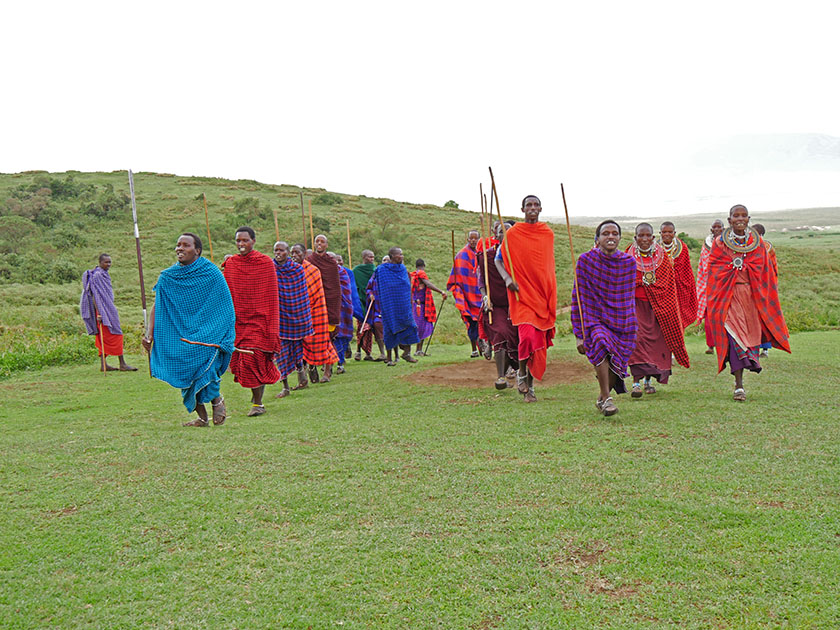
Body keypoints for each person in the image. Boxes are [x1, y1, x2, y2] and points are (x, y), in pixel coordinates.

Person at [142, 233, 234, 427]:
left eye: (185, 245)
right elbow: (158, 306)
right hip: (180, 335)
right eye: (178, 245)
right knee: (186, 373)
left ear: (197, 251)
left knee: (206, 368)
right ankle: (202, 418)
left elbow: (224, 306)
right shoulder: (168, 277)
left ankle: (217, 400)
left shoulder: (211, 273)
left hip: (208, 333)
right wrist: (149, 333)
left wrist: (217, 332)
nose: (180, 249)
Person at [706, 205, 790, 401]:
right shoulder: (720, 243)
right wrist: (732, 268)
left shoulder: (757, 243)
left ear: (749, 218)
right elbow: (715, 268)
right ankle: (739, 385)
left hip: (751, 296)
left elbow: (764, 269)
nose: (740, 219)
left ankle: (745, 374)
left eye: (744, 216)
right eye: (736, 216)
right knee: (735, 336)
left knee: (749, 335)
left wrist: (748, 269)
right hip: (729, 295)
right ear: (729, 220)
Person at [571, 220, 637, 416]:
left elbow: (627, 297)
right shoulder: (585, 261)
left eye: (615, 233)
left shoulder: (628, 263)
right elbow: (578, 298)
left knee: (617, 359)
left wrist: (631, 323)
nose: (610, 237)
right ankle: (607, 398)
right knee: (600, 343)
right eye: (605, 233)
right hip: (594, 318)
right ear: (597, 239)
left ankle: (602, 396)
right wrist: (579, 334)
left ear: (619, 237)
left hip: (622, 319)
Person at [494, 196, 556, 403]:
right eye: (528, 205)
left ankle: (530, 387)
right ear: (522, 209)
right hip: (521, 295)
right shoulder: (513, 233)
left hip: (542, 295)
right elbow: (498, 260)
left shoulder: (547, 233)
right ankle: (521, 373)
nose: (532, 208)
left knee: (537, 344)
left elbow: (546, 266)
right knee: (527, 338)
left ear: (540, 208)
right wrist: (507, 279)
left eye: (535, 204)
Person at [223, 226, 283, 417]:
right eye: (238, 241)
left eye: (245, 240)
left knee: (254, 356)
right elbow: (226, 290)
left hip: (262, 320)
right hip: (239, 321)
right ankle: (257, 399)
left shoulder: (265, 263)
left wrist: (271, 323)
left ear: (253, 241)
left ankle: (257, 403)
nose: (241, 244)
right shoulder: (232, 264)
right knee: (245, 361)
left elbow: (271, 295)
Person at [626, 223, 690, 397]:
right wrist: (639, 284)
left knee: (656, 344)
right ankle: (635, 383)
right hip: (635, 306)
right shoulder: (628, 255)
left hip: (659, 307)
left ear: (654, 238)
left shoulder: (663, 257)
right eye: (641, 236)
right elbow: (622, 281)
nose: (645, 239)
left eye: (648, 236)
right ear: (635, 237)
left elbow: (668, 285)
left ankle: (648, 381)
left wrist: (654, 289)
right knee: (637, 341)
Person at [477, 221, 519, 390]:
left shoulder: (520, 255)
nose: (506, 235)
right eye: (502, 232)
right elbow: (481, 281)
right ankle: (501, 376)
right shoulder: (486, 257)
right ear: (496, 235)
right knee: (501, 333)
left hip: (517, 304)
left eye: (510, 231)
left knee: (518, 336)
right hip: (496, 305)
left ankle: (519, 373)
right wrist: (485, 297)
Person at [80, 254, 136, 372]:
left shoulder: (103, 274)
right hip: (102, 311)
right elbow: (95, 296)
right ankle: (122, 364)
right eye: (106, 262)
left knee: (107, 336)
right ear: (100, 262)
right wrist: (99, 314)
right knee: (114, 334)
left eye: (110, 262)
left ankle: (104, 365)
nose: (108, 265)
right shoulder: (98, 276)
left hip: (107, 308)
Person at [291, 243, 339, 384]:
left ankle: (327, 371)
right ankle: (307, 371)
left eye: (297, 253)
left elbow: (313, 292)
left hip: (316, 311)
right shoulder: (290, 271)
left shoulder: (313, 271)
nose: (294, 256)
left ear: (305, 254)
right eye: (292, 253)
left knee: (323, 343)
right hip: (297, 314)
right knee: (301, 345)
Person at [272, 241, 313, 398]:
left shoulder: (297, 270)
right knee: (281, 353)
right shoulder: (270, 268)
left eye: (281, 250)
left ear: (288, 252)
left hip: (296, 317)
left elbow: (301, 295)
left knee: (297, 350)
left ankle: (301, 372)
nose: (278, 253)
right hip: (279, 318)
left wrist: (302, 316)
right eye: (276, 250)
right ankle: (285, 386)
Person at [370, 247, 420, 366]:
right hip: (389, 304)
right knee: (389, 329)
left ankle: (406, 353)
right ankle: (389, 358)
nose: (402, 257)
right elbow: (380, 286)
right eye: (399, 255)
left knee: (410, 325)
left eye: (402, 254)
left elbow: (406, 285)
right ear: (392, 256)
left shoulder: (402, 269)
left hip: (403, 304)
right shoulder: (382, 270)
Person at [447, 230, 483, 357]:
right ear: (467, 239)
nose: (473, 240)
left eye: (476, 238)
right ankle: (474, 349)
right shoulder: (461, 255)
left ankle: (484, 348)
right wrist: (458, 290)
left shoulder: (483, 253)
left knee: (484, 322)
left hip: (481, 293)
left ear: (479, 239)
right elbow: (457, 276)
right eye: (471, 238)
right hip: (467, 295)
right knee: (471, 323)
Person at [658, 221, 697, 329]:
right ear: (660, 233)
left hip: (678, 291)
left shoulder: (682, 248)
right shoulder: (655, 248)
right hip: (660, 291)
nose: (667, 234)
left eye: (670, 232)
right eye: (664, 232)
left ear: (674, 233)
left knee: (677, 322)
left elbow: (686, 271)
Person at [697, 219, 724, 354]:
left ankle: (723, 344)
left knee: (723, 317)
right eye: (715, 227)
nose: (717, 229)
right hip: (709, 284)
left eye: (720, 227)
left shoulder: (728, 242)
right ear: (711, 229)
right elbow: (703, 264)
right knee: (709, 318)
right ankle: (710, 346)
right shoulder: (706, 243)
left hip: (724, 284)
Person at [409, 258, 447, 356]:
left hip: (416, 305)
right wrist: (441, 291)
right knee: (421, 327)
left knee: (421, 327)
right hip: (419, 307)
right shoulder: (421, 274)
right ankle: (417, 350)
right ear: (424, 266)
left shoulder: (413, 275)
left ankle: (419, 350)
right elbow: (428, 284)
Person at [752, 224, 778, 357]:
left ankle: (765, 349)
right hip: (752, 289)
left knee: (764, 319)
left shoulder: (767, 248)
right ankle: (754, 348)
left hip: (765, 288)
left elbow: (773, 270)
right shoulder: (749, 247)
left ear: (761, 234)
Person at [352, 249, 383, 360]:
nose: (372, 259)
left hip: (374, 303)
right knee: (362, 327)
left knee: (375, 327)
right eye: (369, 257)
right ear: (364, 257)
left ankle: (374, 353)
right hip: (361, 303)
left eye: (373, 257)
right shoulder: (356, 271)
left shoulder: (376, 271)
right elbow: (353, 287)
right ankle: (358, 351)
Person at [331, 252, 355, 374]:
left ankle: (340, 361)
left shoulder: (343, 272)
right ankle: (336, 363)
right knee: (334, 337)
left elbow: (347, 290)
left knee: (343, 336)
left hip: (344, 308)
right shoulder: (324, 272)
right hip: (329, 309)